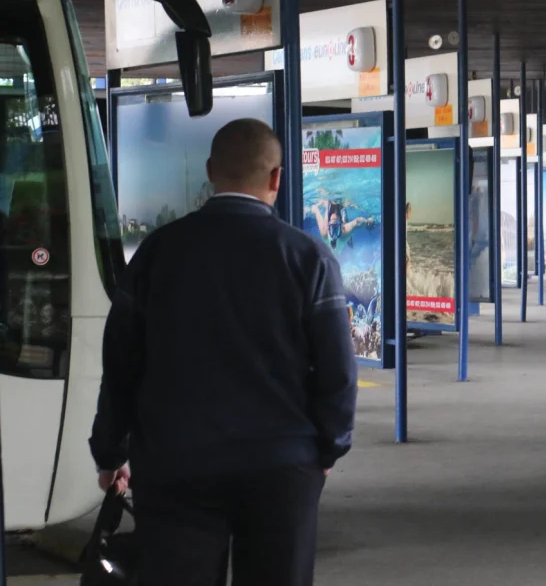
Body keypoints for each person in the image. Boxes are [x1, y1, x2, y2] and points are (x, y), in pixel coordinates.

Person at [90, 118, 358, 586]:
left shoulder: (157, 253)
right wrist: (328, 447)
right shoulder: (308, 257)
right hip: (282, 466)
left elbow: (120, 364)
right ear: (276, 178)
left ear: (211, 171)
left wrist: (111, 452)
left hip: (175, 465)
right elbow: (338, 370)